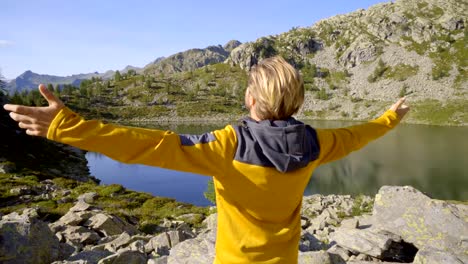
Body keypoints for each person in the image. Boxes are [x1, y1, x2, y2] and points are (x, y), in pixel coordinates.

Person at [3, 56, 409, 263]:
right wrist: (391, 117)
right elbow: (361, 134)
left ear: (250, 98)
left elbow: (150, 145)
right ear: (297, 101)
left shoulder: (226, 145)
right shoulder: (319, 143)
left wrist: (68, 127)